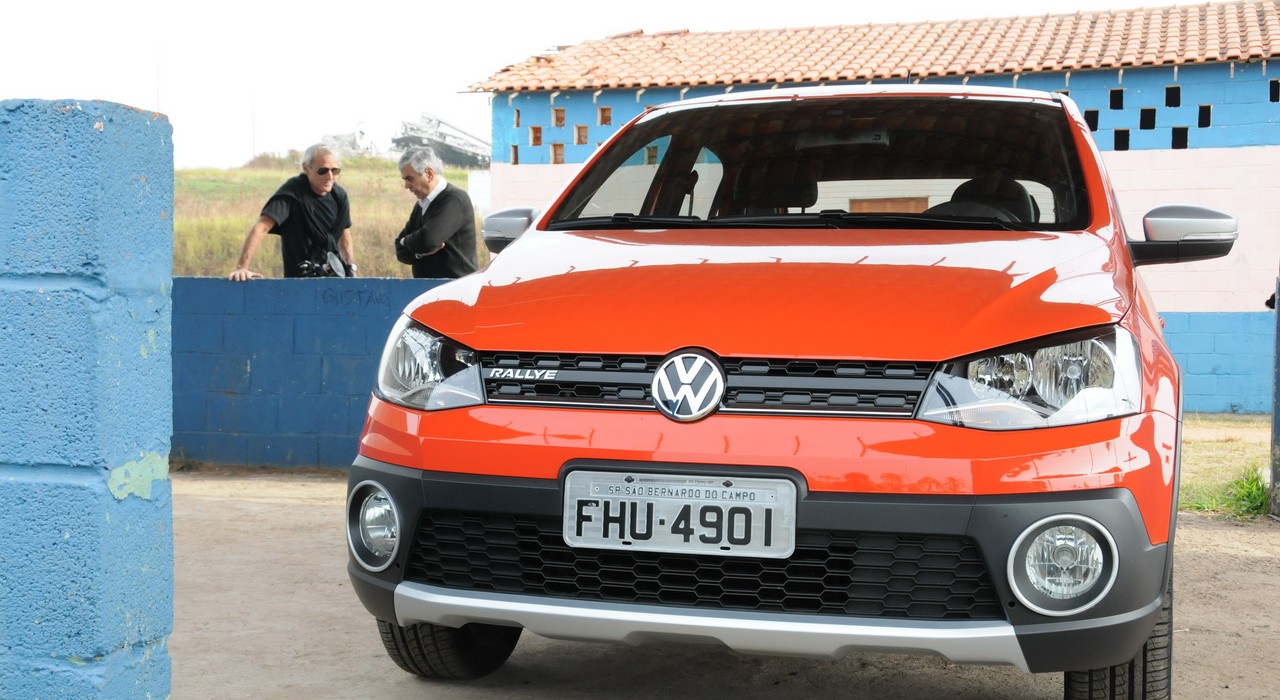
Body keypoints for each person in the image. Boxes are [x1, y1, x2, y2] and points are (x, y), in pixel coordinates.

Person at [228, 144, 356, 281]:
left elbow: (344, 234)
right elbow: (262, 226)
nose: (330, 176)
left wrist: (352, 270)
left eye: (334, 170)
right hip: (298, 283)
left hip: (334, 281)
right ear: (306, 168)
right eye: (322, 170)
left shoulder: (339, 196)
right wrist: (242, 267)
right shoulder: (293, 193)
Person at [394, 146, 479, 278]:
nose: (406, 186)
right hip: (429, 288)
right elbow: (400, 252)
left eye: (410, 179)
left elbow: (428, 240)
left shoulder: (455, 200)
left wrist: (406, 241)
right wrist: (420, 251)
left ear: (429, 174)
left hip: (456, 287)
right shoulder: (421, 205)